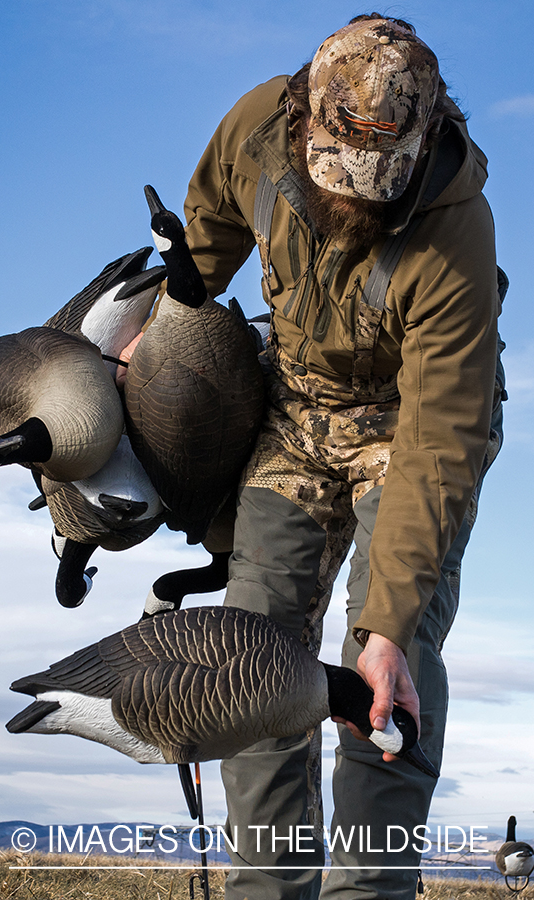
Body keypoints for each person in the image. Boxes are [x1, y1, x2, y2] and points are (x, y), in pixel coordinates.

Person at [124, 13, 505, 900]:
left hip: (408, 431)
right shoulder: (257, 125)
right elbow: (211, 227)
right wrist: (167, 331)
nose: (359, 197)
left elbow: (439, 443)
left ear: (422, 140)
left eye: (382, 180)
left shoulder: (457, 232)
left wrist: (387, 630)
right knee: (252, 661)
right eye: (343, 172)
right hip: (294, 413)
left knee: (386, 683)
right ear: (303, 117)